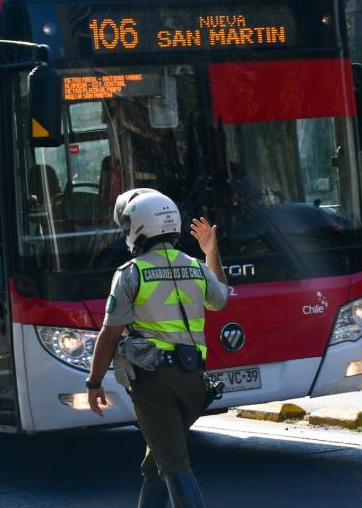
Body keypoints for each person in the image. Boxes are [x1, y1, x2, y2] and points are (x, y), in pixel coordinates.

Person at [86, 188, 228, 508]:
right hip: (195, 383)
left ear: (138, 228)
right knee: (157, 464)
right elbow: (220, 299)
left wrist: (93, 382)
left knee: (175, 466)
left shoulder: (131, 273)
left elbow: (110, 335)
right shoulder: (196, 266)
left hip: (154, 384)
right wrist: (210, 250)